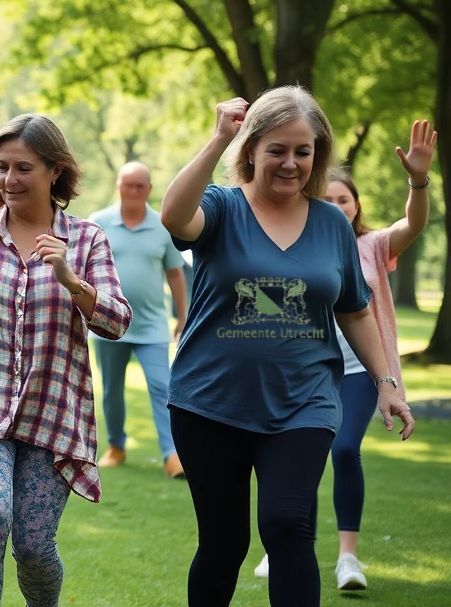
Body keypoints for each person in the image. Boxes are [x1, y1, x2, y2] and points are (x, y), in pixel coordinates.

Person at [159, 88, 416, 607]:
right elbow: (172, 215)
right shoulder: (221, 207)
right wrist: (216, 141)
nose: (292, 163)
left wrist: (386, 382)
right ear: (251, 149)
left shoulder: (330, 223)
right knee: (224, 543)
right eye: (278, 149)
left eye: (304, 150)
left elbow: (355, 309)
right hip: (210, 404)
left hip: (304, 402)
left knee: (288, 524)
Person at [0, 114, 132, 607]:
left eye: (23, 168)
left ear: (55, 171)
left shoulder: (87, 240)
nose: (9, 180)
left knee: (34, 547)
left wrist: (70, 279)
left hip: (53, 409)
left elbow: (117, 323)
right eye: (1, 167)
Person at [254, 119, 436, 590]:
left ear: (356, 206)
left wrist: (418, 179)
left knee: (344, 448)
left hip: (357, 370)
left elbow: (413, 223)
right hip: (306, 368)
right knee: (303, 457)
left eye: (344, 199)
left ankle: (348, 559)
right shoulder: (295, 239)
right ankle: (291, 549)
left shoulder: (372, 246)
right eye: (328, 199)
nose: (335, 206)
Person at [88, 162, 189, 478]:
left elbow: (175, 273)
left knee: (163, 387)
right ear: (118, 186)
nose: (132, 191)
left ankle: (172, 454)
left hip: (152, 326)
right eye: (127, 184)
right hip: (107, 324)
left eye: (139, 185)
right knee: (112, 391)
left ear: (148, 189)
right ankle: (116, 446)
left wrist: (182, 315)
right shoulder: (98, 223)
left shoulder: (164, 225)